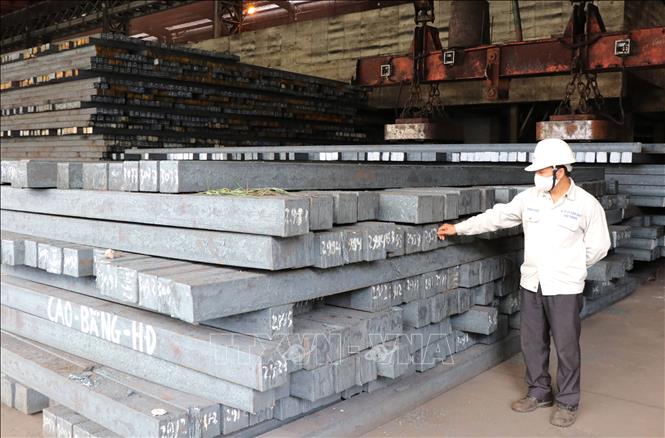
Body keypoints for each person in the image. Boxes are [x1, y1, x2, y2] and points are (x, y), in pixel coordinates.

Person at [437, 138, 611, 428]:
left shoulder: (586, 205)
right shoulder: (529, 199)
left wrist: (572, 268)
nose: (537, 176)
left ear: (560, 171)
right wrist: (459, 228)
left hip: (565, 288)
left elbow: (599, 246)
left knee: (566, 346)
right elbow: (497, 217)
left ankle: (567, 401)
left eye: (541, 171)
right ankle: (539, 392)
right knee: (532, 342)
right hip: (532, 283)